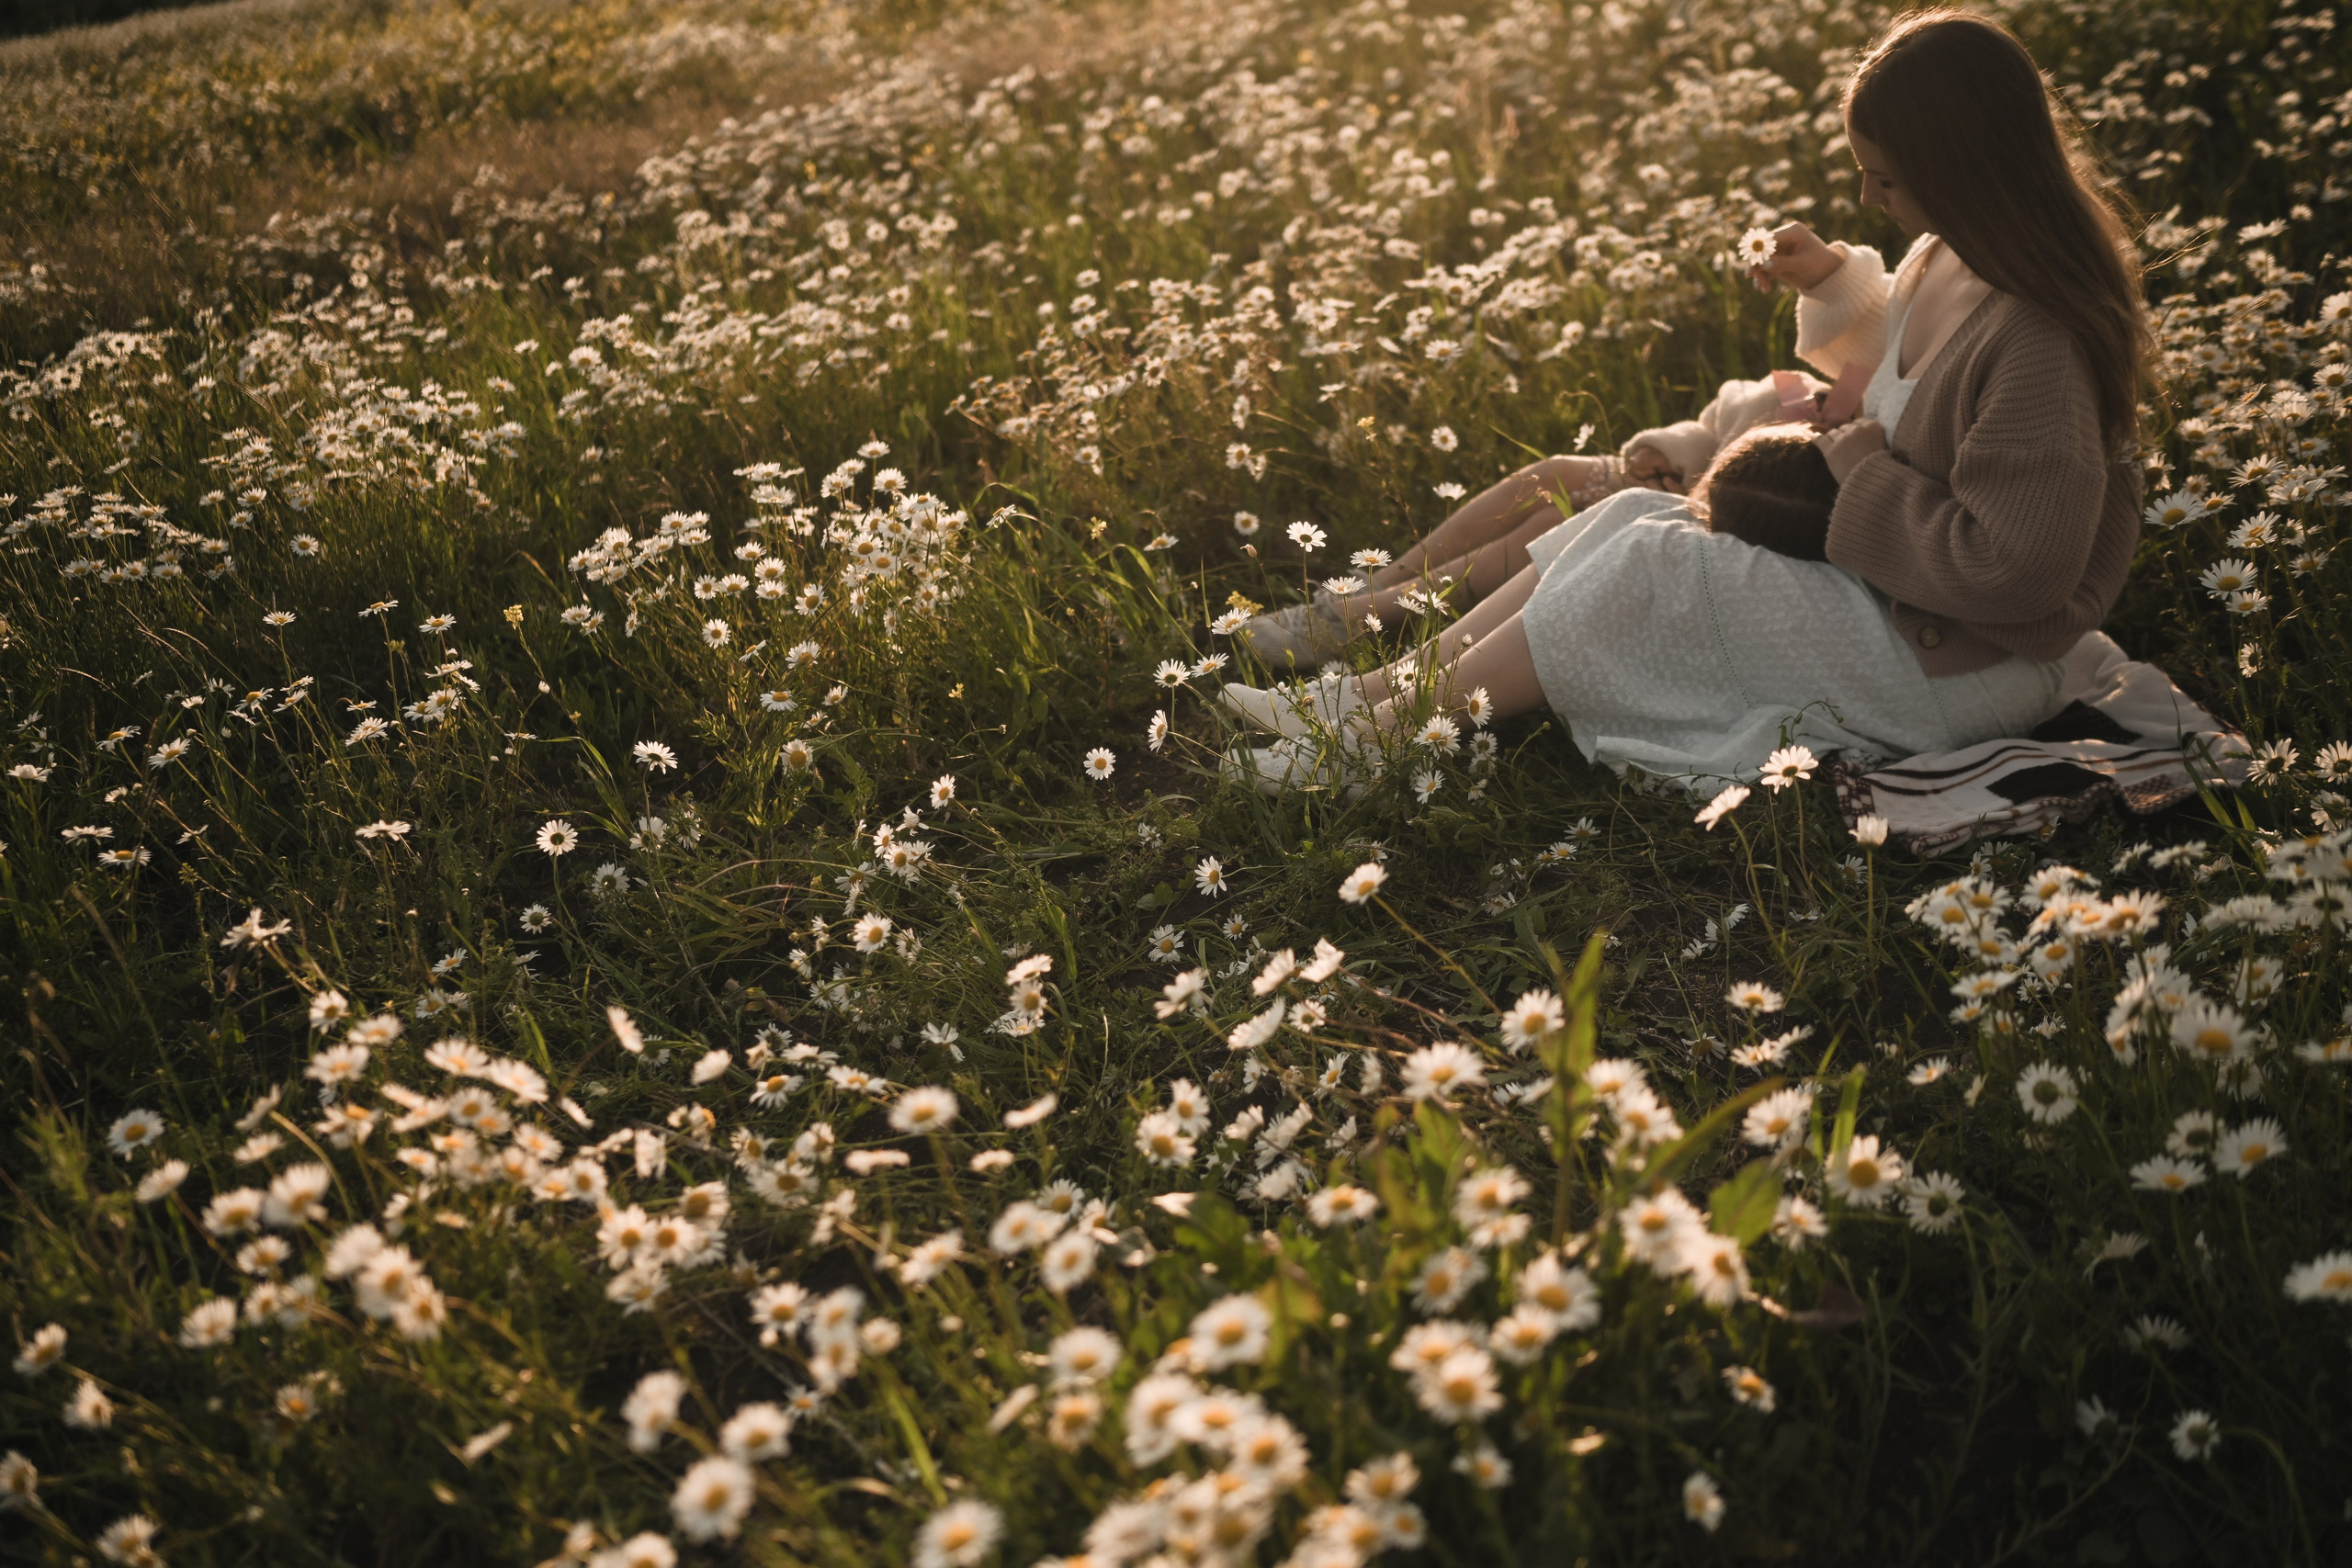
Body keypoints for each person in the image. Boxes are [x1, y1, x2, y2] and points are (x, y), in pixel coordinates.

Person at [1222, 6, 2152, 795]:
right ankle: (1374, 697)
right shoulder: (1948, 252)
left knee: (1648, 564)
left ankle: (1373, 746)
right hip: (1904, 605)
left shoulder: (2042, 340)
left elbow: (2017, 573)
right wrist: (1837, 286)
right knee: (1628, 513)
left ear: (1962, 170)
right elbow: (1923, 383)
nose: (1869, 198)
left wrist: (1866, 474)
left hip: (1962, 660)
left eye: (1887, 178)